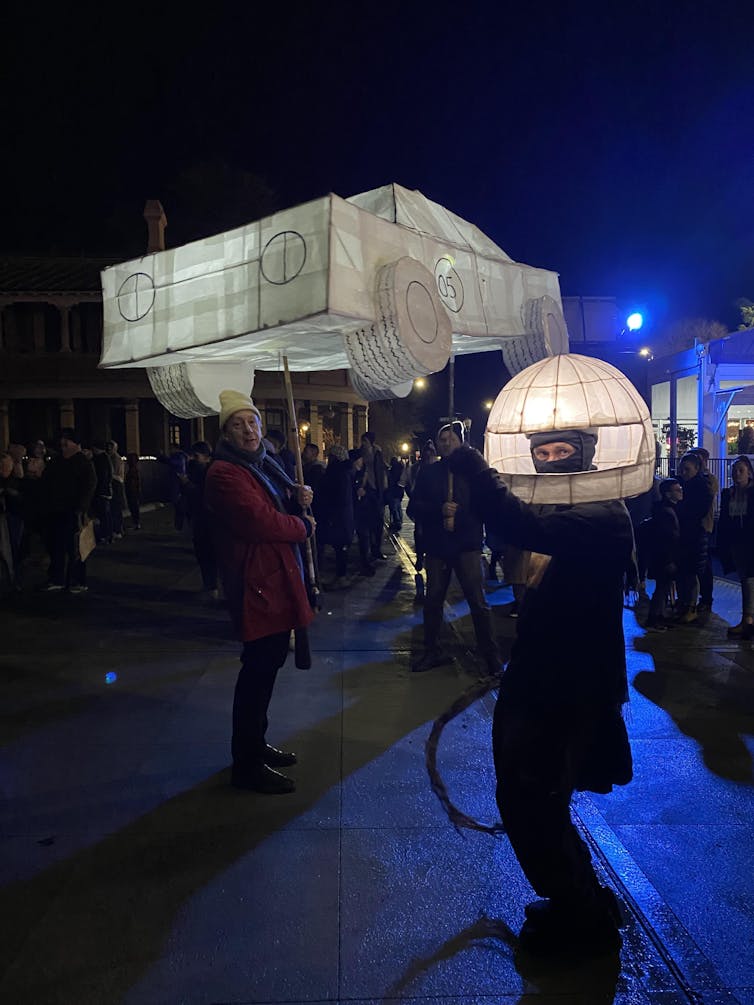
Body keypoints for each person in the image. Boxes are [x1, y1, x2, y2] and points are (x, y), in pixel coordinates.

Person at [448, 428, 633, 957]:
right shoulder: (561, 519)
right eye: (542, 454)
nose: (552, 463)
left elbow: (514, 520)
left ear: (589, 456)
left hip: (568, 689)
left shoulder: (603, 514)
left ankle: (581, 917)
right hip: (543, 678)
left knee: (533, 798)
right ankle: (577, 898)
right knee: (535, 798)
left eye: (564, 453)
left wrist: (475, 468)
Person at [205, 389, 315, 795]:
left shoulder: (260, 465)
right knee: (256, 672)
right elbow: (260, 521)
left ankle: (255, 744)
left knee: (266, 669)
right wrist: (302, 527)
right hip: (256, 585)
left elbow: (278, 503)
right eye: (238, 424)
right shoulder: (225, 473)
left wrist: (297, 496)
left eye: (251, 422)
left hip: (272, 580)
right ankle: (246, 763)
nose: (248, 430)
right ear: (226, 433)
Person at [408, 420, 500, 675]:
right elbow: (413, 508)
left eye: (450, 439)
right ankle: (431, 651)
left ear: (461, 442)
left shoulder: (475, 472)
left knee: (478, 603)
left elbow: (488, 506)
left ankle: (491, 657)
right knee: (433, 600)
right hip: (438, 547)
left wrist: (461, 515)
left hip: (467, 546)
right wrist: (439, 510)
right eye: (442, 439)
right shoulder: (429, 472)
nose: (445, 443)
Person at [41, 428, 96, 592]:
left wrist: (81, 509)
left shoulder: (83, 463)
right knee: (56, 546)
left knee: (76, 548)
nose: (63, 445)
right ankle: (57, 577)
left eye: (67, 441)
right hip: (56, 510)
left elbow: (89, 486)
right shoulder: (57, 462)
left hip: (73, 511)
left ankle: (77, 580)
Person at [717, 455, 754, 638]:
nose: (737, 474)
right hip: (737, 544)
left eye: (741, 470)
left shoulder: (752, 493)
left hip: (750, 542)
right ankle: (747, 619)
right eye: (734, 471)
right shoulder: (728, 494)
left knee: (749, 581)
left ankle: (748, 619)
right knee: (745, 580)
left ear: (749, 473)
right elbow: (725, 520)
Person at [675, 451, 713, 624]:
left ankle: (691, 606)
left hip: (694, 534)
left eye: (687, 469)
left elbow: (699, 510)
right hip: (685, 534)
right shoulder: (683, 484)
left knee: (692, 572)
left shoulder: (701, 487)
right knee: (683, 571)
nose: (683, 472)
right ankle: (684, 603)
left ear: (696, 469)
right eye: (682, 469)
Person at [644, 477, 683, 631]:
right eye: (677, 490)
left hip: (662, 557)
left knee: (663, 587)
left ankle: (659, 615)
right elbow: (668, 538)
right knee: (662, 587)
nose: (681, 492)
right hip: (665, 558)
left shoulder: (663, 510)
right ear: (668, 494)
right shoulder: (667, 512)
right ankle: (654, 618)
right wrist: (670, 559)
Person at [181, 442, 218, 600]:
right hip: (198, 518)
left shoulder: (210, 473)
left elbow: (203, 494)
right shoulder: (195, 470)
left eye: (196, 456)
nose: (192, 459)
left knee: (209, 555)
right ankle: (210, 585)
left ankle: (212, 587)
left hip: (209, 520)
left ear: (207, 457)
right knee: (203, 554)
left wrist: (187, 485)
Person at [318, 444, 355, 589]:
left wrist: (332, 515)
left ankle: (341, 576)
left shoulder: (338, 473)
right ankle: (340, 576)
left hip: (338, 517)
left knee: (340, 548)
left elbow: (338, 496)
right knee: (340, 547)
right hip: (342, 516)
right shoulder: (343, 472)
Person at [688, 446, 718, 614]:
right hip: (693, 527)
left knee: (705, 565)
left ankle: (706, 599)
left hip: (704, 526)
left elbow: (709, 495)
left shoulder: (709, 479)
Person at [91, 441, 114, 545]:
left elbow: (102, 476)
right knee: (106, 515)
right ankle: (108, 535)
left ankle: (106, 535)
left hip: (102, 491)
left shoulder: (101, 459)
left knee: (104, 515)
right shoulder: (106, 458)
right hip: (106, 491)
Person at [106, 441, 126, 539]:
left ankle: (118, 530)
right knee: (115, 509)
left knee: (116, 508)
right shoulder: (111, 458)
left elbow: (119, 476)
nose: (109, 449)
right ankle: (117, 529)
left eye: (111, 447)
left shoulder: (116, 459)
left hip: (116, 485)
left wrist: (110, 475)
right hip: (115, 484)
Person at [124, 453, 142, 529]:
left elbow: (132, 482)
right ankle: (136, 523)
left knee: (133, 507)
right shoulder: (135, 469)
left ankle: (136, 523)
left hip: (132, 491)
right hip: (134, 491)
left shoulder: (132, 470)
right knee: (134, 507)